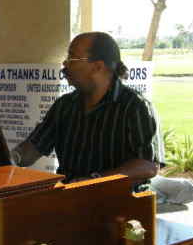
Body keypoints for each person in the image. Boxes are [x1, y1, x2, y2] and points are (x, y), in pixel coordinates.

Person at [11, 32, 163, 190]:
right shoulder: (64, 105)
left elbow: (148, 165)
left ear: (97, 67)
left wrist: (94, 181)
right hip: (68, 197)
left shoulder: (135, 106)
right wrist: (13, 157)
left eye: (72, 58)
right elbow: (35, 147)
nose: (65, 64)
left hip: (118, 203)